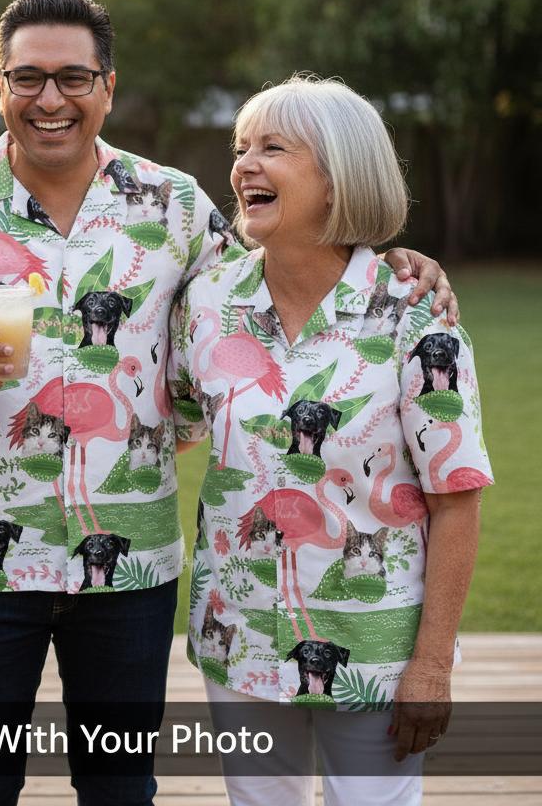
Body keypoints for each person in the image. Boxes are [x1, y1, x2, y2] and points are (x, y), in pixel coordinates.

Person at [0, 0, 455, 806]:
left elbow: (282, 274)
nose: (50, 98)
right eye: (28, 78)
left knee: (120, 787)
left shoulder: (174, 206)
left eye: (73, 77)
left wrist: (394, 262)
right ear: (1, 85)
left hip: (130, 565)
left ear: (107, 86)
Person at [169, 75, 493, 806]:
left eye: (273, 148)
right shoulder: (208, 302)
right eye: (240, 148)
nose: (245, 165)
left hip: (376, 649)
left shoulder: (413, 315)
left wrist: (432, 666)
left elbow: (457, 498)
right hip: (241, 635)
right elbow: (182, 423)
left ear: (339, 177)